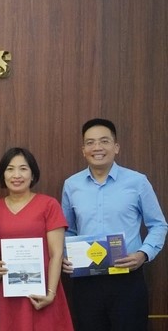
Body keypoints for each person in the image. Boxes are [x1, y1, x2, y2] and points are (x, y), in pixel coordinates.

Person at [61, 118, 168, 331]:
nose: (97, 147)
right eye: (90, 143)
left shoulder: (137, 181)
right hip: (86, 281)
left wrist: (143, 254)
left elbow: (158, 224)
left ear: (116, 147)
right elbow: (68, 229)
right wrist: (66, 255)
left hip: (127, 278)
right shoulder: (71, 185)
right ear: (83, 150)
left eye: (104, 141)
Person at [0, 147, 73, 331]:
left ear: (33, 174)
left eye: (23, 169)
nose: (16, 175)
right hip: (6, 293)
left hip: (43, 292)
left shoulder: (49, 205)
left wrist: (50, 293)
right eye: (10, 169)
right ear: (3, 174)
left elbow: (56, 254)